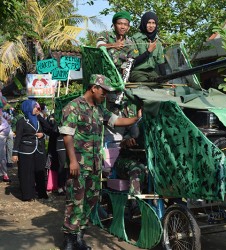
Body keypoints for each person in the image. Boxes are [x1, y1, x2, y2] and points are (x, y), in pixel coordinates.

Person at [59, 74, 142, 250]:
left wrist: (135, 119)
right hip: (79, 165)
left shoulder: (99, 109)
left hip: (95, 164)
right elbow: (67, 136)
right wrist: (73, 161)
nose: (106, 96)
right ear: (94, 88)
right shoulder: (73, 107)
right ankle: (69, 239)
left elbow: (117, 121)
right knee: (75, 200)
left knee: (91, 199)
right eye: (103, 92)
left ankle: (79, 236)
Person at [12, 100, 48, 202]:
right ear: (27, 108)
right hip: (25, 150)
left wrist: (43, 134)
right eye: (34, 107)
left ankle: (41, 193)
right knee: (26, 173)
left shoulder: (38, 119)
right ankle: (28, 195)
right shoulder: (21, 121)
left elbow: (47, 128)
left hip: (39, 150)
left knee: (40, 171)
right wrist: (15, 153)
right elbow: (18, 137)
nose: (36, 109)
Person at [129, 11, 167, 82]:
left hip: (152, 72)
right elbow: (133, 62)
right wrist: (148, 51)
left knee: (160, 84)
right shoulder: (135, 39)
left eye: (153, 23)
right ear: (144, 23)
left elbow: (161, 63)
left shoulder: (157, 41)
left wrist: (165, 79)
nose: (151, 26)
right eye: (149, 23)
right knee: (146, 85)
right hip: (137, 72)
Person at [96, 11, 134, 75]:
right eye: (119, 24)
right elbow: (99, 46)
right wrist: (112, 45)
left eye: (125, 24)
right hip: (103, 72)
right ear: (114, 25)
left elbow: (129, 61)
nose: (122, 27)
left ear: (128, 28)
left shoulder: (130, 43)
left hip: (119, 76)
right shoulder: (106, 35)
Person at [0, 114, 11, 182]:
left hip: (1, 140)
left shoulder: (4, 122)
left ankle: (5, 174)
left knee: (2, 157)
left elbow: (6, 130)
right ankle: (4, 174)